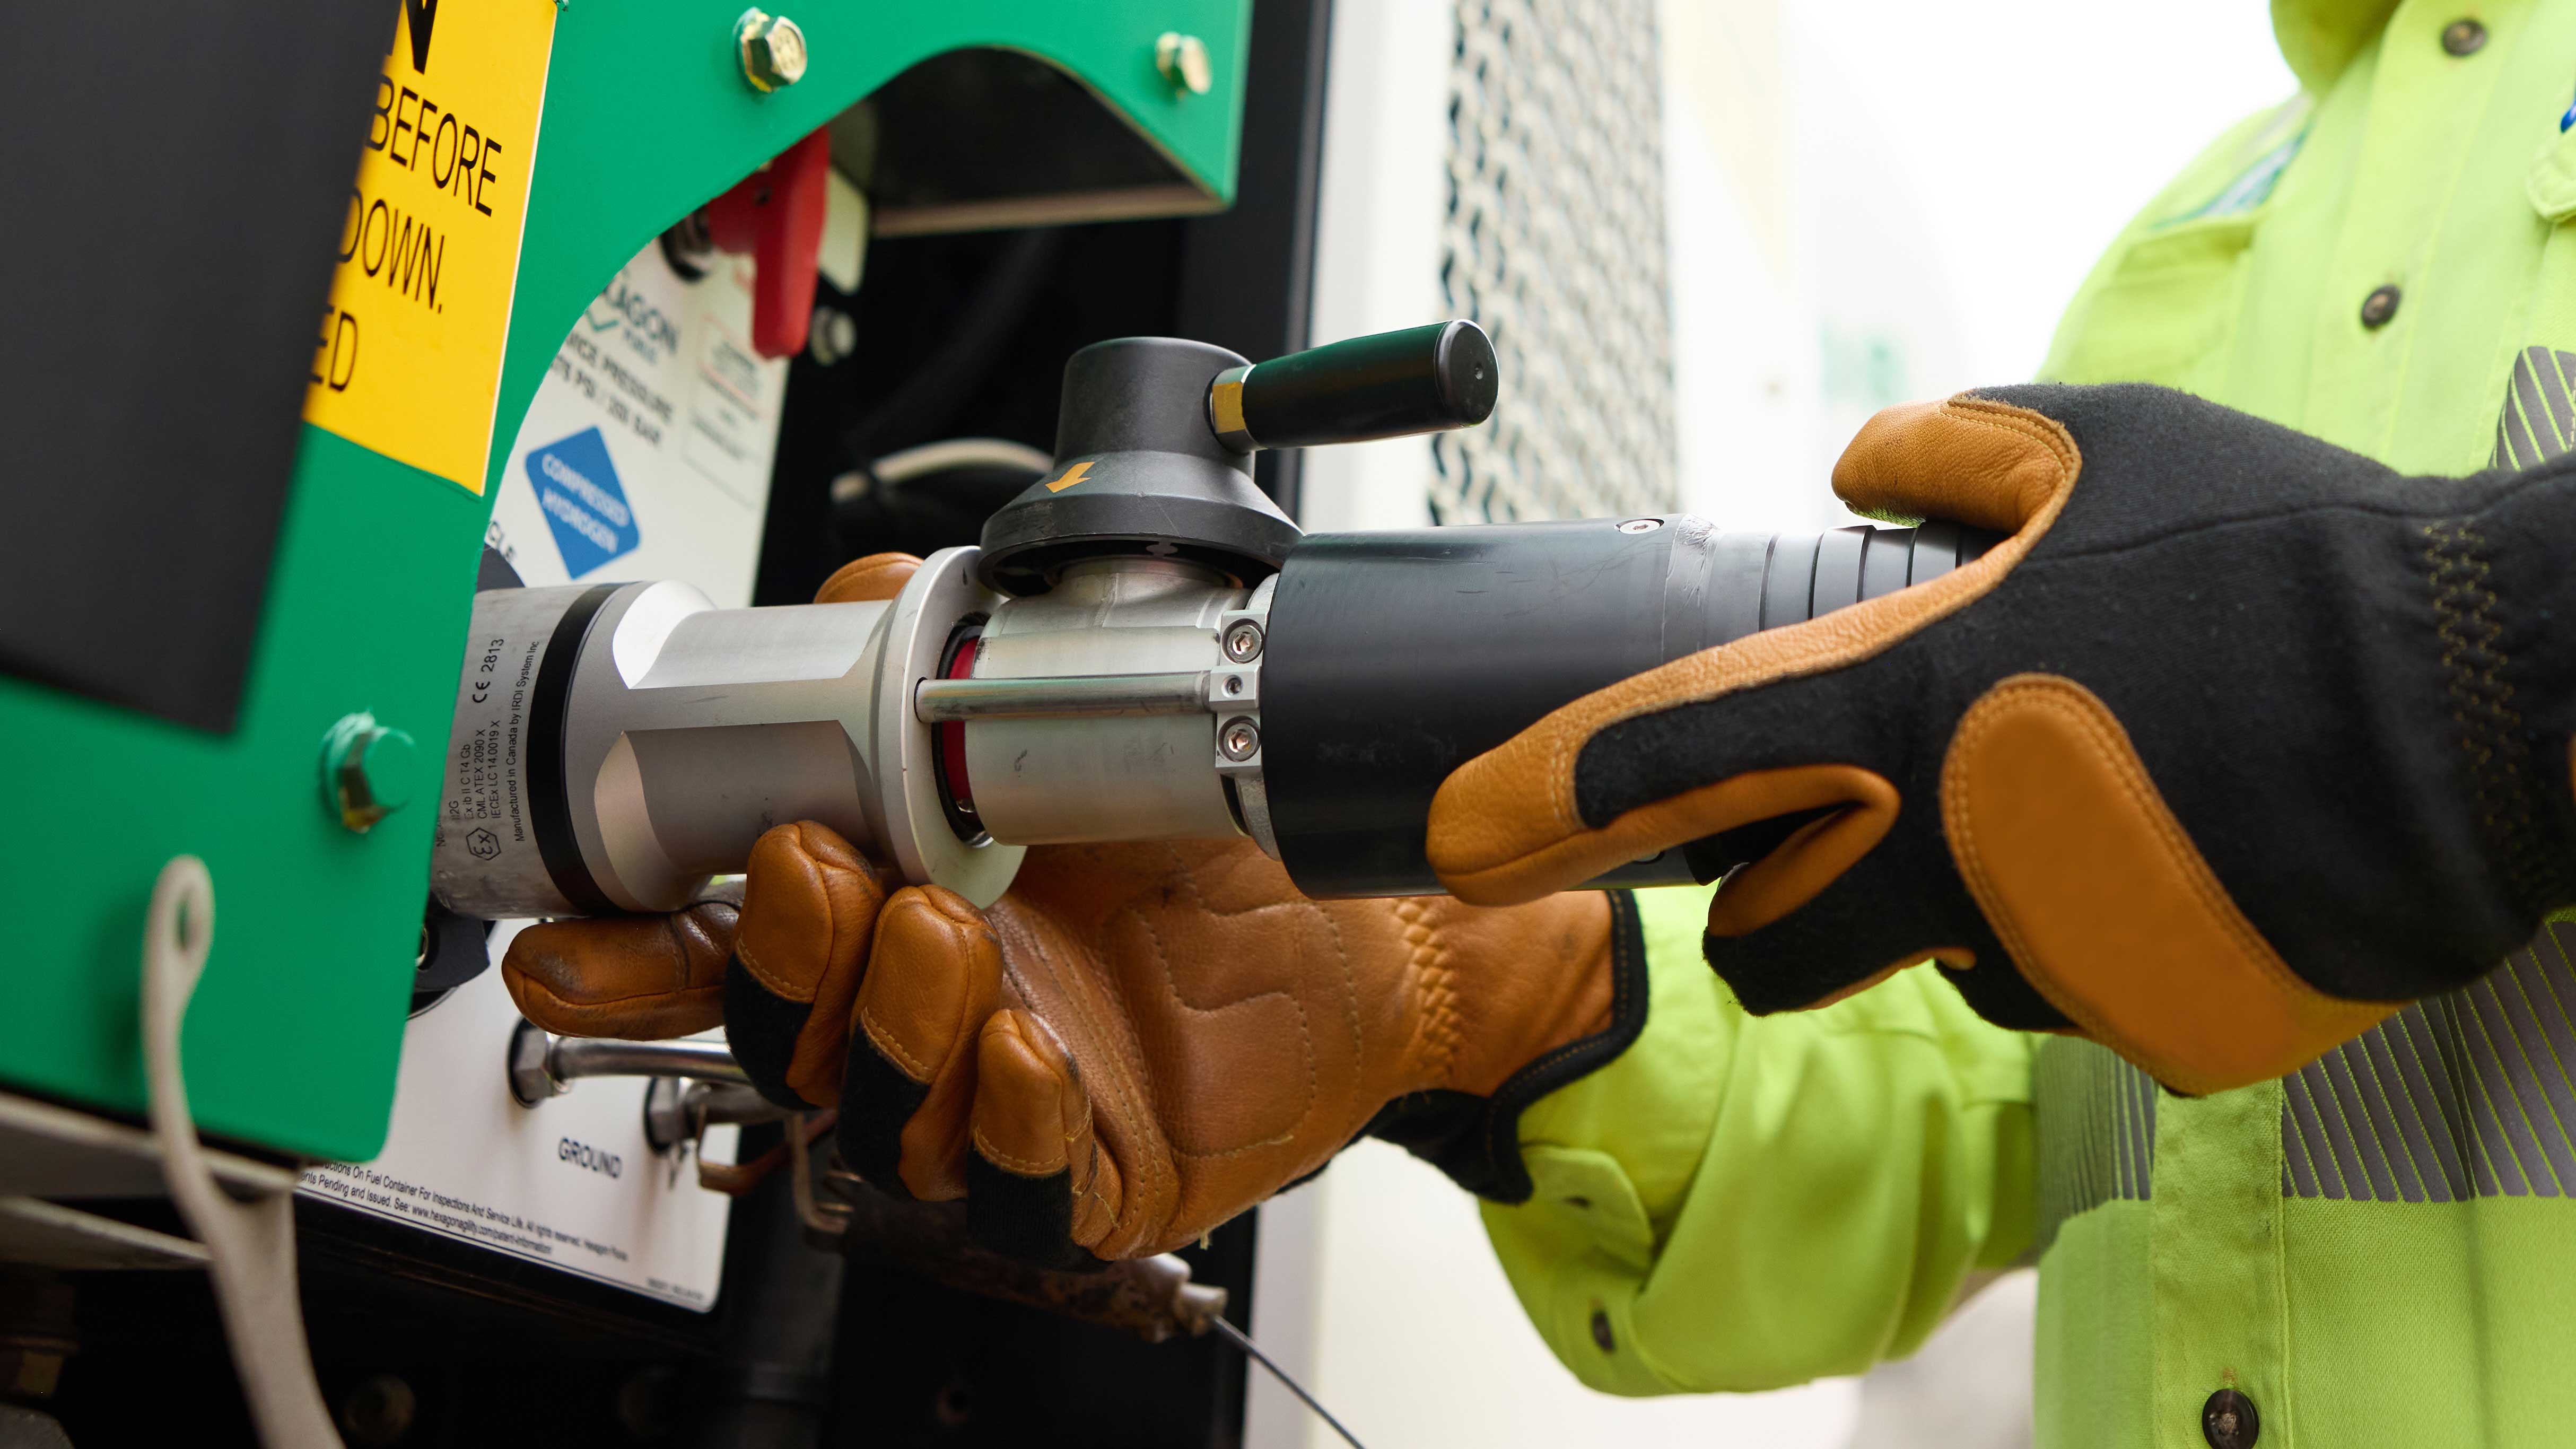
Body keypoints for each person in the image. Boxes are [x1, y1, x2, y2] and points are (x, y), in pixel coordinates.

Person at [503, 2, 2576, 1440]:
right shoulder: (2217, 231)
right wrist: (1473, 985)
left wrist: (2496, 658)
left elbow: (2401, 694)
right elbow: (2007, 1087)